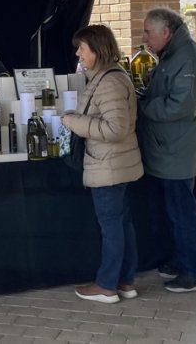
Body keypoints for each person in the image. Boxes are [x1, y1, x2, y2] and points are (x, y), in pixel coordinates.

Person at [62, 24, 143, 304]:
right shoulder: (106, 77)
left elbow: (115, 129)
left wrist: (73, 121)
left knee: (111, 225)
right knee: (121, 223)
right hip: (114, 163)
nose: (78, 54)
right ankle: (125, 281)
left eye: (82, 48)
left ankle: (107, 285)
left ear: (97, 50)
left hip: (109, 165)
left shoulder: (109, 81)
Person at [137, 7, 196, 293]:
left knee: (182, 211)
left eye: (148, 31)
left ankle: (195, 272)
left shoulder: (189, 58)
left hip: (178, 150)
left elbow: (181, 105)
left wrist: (142, 107)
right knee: (170, 210)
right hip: (166, 149)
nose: (144, 38)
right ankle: (179, 261)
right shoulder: (171, 55)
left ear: (166, 32)